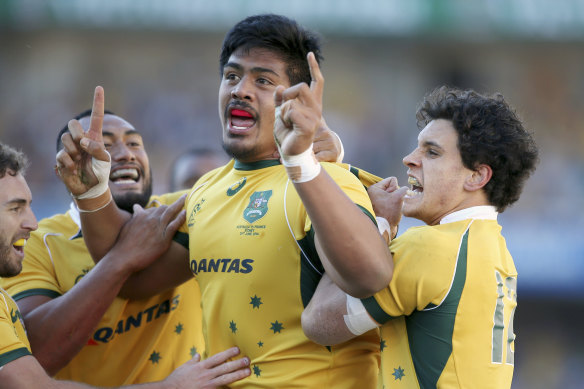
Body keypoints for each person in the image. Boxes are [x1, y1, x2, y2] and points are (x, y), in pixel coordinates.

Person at [54, 14, 393, 388]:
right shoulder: (205, 192)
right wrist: (91, 193)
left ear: (299, 99)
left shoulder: (329, 180)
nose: (241, 90)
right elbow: (131, 276)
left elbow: (369, 276)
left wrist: (299, 162)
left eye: (263, 80)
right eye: (232, 76)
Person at [301, 86, 539, 388]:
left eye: (432, 152)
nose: (409, 159)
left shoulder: (431, 247)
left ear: (477, 176)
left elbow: (318, 323)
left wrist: (376, 226)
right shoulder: (496, 249)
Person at [0, 142, 251, 388]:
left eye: (134, 142)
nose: (124, 154)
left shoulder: (179, 217)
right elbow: (32, 375)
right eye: (15, 208)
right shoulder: (43, 243)